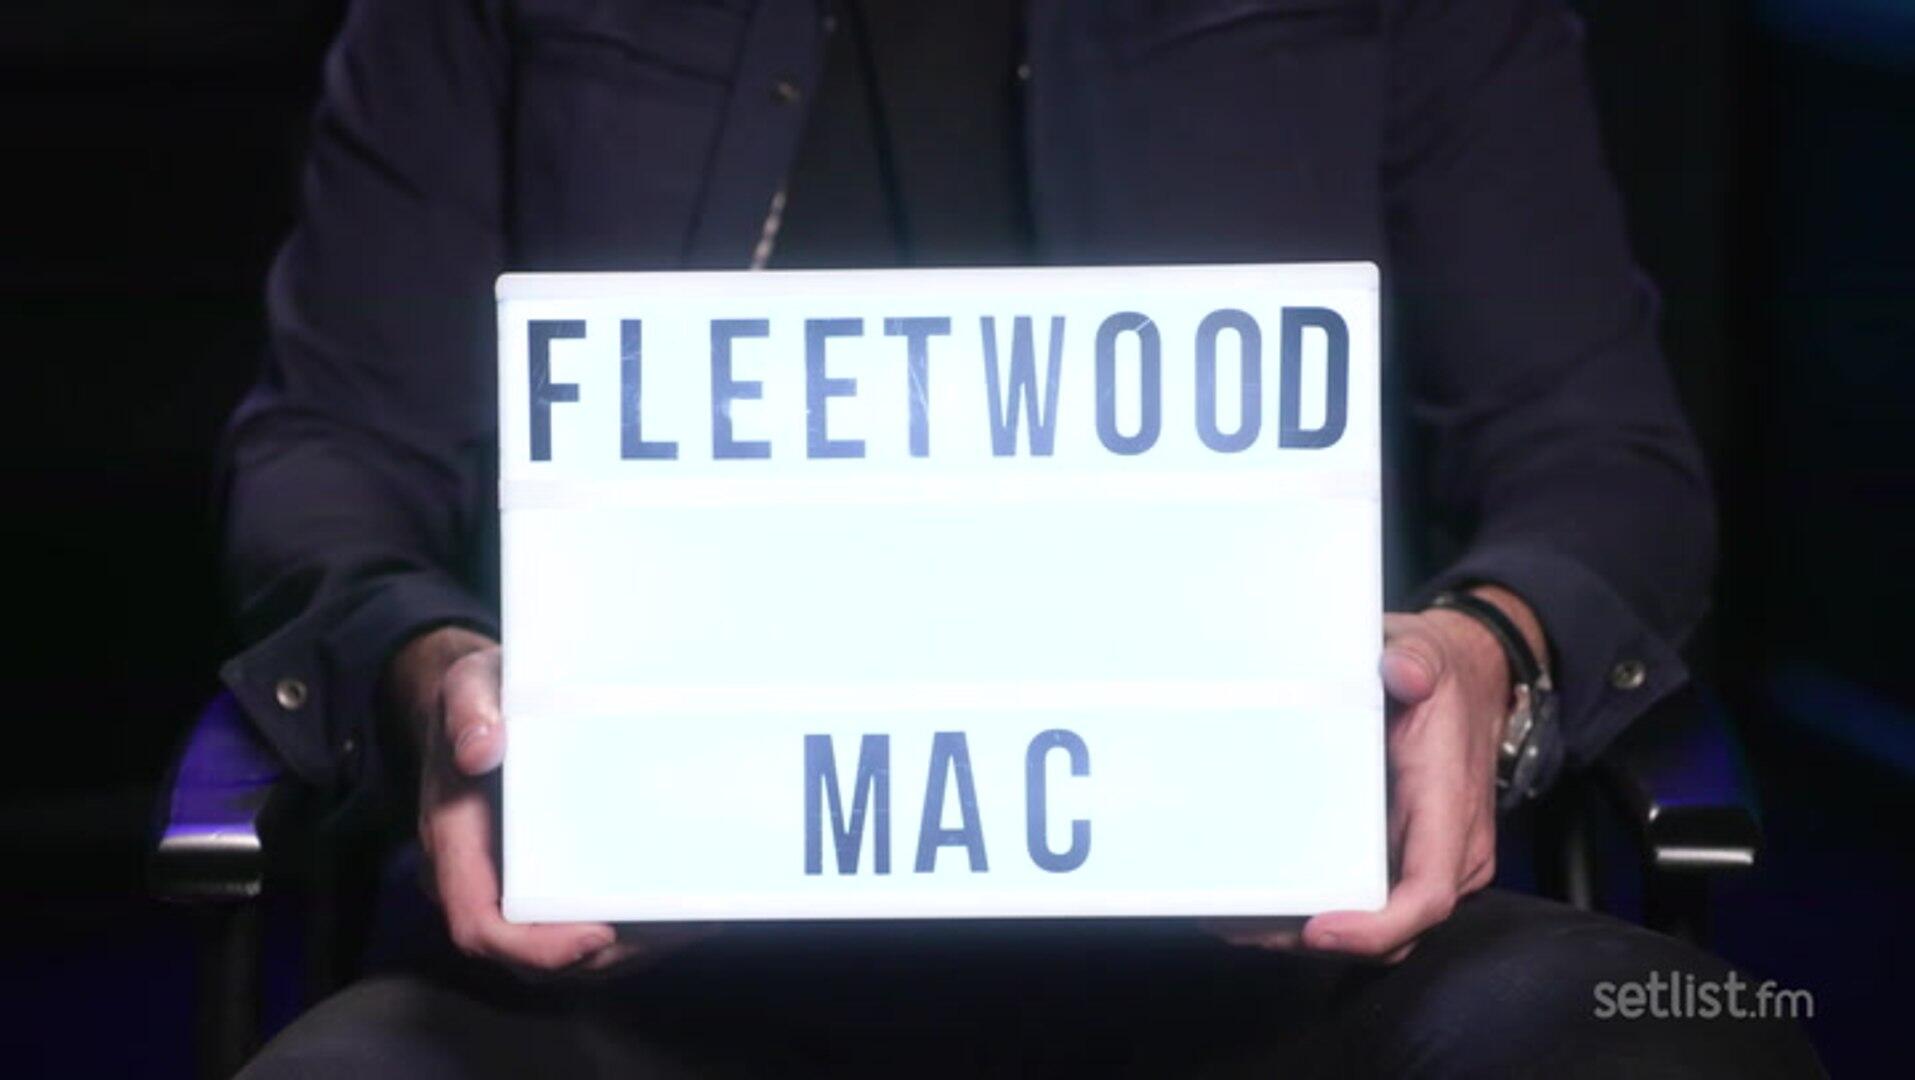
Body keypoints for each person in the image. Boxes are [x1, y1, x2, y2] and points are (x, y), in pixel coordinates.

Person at [224, 0, 1821, 1075]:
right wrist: (429, 668)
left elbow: (1604, 460)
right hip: (628, 952)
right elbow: (326, 449)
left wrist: (1490, 649)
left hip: (1294, 948)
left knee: (1667, 1046)